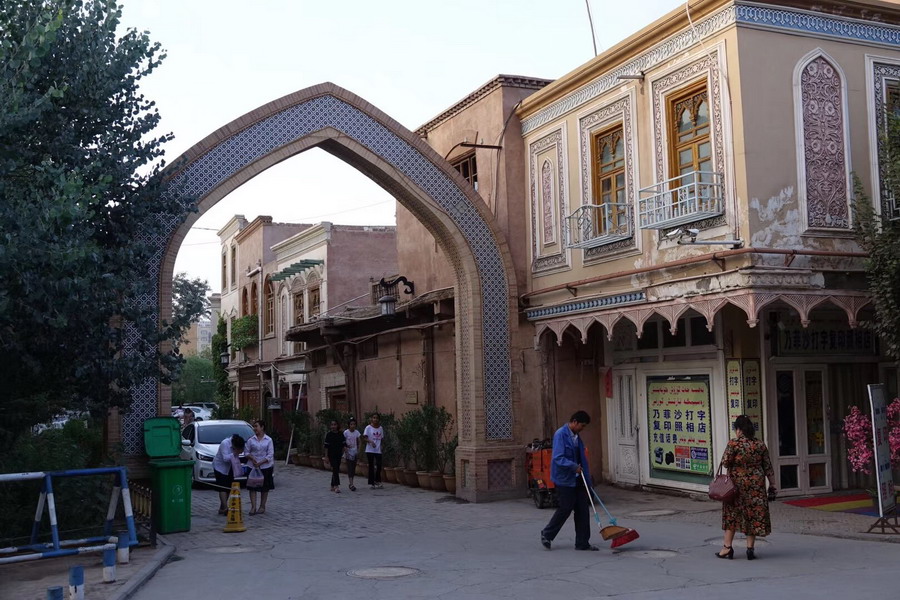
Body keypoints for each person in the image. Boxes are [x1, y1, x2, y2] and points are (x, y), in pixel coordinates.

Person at [716, 415, 776, 560]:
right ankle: (750, 549)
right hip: (756, 487)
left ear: (738, 429)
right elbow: (768, 467)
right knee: (753, 516)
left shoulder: (734, 444)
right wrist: (773, 485)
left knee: (732, 516)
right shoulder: (760, 444)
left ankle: (727, 548)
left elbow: (725, 463)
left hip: (735, 488)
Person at [540, 411, 598, 551]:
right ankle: (547, 534)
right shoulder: (561, 434)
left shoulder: (577, 437)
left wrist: (588, 480)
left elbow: (582, 459)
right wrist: (573, 467)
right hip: (564, 479)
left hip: (578, 478)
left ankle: (582, 543)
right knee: (566, 507)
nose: (582, 428)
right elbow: (558, 458)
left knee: (582, 510)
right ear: (574, 422)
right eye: (582, 425)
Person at [245, 419, 275, 515]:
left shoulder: (268, 440)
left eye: (256, 426)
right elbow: (246, 452)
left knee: (264, 488)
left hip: (265, 467)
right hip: (252, 466)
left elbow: (270, 455)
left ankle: (262, 506)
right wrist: (252, 458)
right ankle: (253, 507)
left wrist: (260, 463)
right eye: (254, 426)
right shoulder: (251, 440)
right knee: (252, 487)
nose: (255, 428)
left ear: (262, 427)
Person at [213, 433, 246, 515]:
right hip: (220, 467)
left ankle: (222, 507)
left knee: (228, 488)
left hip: (230, 467)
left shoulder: (237, 445)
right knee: (222, 487)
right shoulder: (225, 443)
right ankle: (225, 508)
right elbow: (225, 458)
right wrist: (235, 453)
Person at [323, 420, 347, 493]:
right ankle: (336, 486)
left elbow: (344, 444)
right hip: (331, 454)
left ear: (337, 425)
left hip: (338, 454)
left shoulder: (341, 434)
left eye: (335, 424)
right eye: (332, 425)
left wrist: (345, 452)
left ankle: (332, 485)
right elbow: (326, 447)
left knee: (336, 469)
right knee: (335, 468)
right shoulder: (329, 435)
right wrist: (326, 456)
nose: (333, 426)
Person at [362, 413, 384, 489]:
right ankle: (372, 483)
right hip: (370, 450)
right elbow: (364, 438)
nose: (375, 419)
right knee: (371, 466)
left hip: (378, 450)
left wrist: (381, 446)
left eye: (377, 418)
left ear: (379, 419)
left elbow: (382, 438)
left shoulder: (380, 428)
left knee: (379, 465)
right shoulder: (368, 428)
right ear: (371, 419)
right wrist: (370, 441)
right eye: (374, 418)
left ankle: (377, 480)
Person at [343, 417, 362, 491]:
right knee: (350, 467)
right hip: (348, 452)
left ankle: (352, 482)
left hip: (354, 452)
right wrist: (345, 449)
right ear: (349, 425)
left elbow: (360, 441)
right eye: (351, 424)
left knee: (353, 468)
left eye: (354, 424)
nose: (353, 426)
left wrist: (359, 450)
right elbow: (343, 442)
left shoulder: (357, 432)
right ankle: (351, 483)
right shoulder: (346, 432)